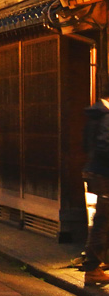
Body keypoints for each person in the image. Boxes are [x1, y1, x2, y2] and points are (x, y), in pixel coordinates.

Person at [82, 81, 109, 285]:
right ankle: (92, 268)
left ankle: (96, 264)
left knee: (102, 220)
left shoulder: (95, 114)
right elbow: (104, 146)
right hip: (105, 175)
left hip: (95, 172)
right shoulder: (106, 116)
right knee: (103, 221)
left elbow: (87, 144)